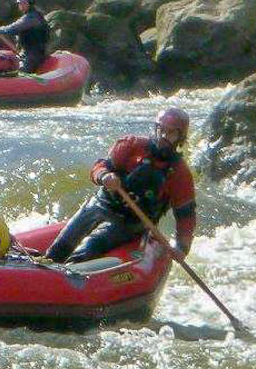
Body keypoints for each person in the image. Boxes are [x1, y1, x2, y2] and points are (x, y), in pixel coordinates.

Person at [46, 106, 197, 264]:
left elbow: (186, 215)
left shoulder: (180, 173)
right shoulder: (131, 145)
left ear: (180, 138)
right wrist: (104, 176)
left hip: (131, 222)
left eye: (171, 133)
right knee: (60, 247)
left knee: (90, 246)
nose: (163, 137)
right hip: (101, 204)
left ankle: (70, 272)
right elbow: (99, 167)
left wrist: (182, 247)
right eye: (161, 130)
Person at [0, 0, 50, 74]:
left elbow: (12, 29)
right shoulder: (33, 15)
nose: (19, 5)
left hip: (33, 55)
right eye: (18, 3)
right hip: (28, 52)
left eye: (20, 3)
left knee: (21, 73)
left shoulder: (31, 18)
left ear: (26, 3)